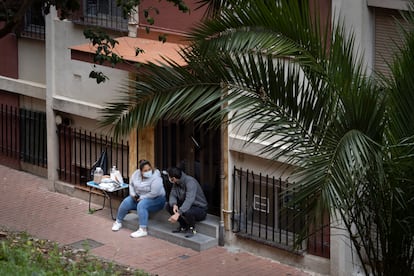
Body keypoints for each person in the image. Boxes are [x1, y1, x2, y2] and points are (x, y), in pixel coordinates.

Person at [112, 160, 166, 238]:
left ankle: (143, 230)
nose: (148, 171)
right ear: (140, 171)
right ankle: (118, 222)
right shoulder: (136, 174)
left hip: (156, 199)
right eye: (145, 170)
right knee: (126, 202)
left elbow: (155, 193)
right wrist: (133, 194)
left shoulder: (156, 177)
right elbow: (131, 184)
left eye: (149, 169)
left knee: (142, 205)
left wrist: (142, 198)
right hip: (139, 197)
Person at [166, 167, 208, 238]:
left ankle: (192, 228)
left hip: (200, 209)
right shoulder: (176, 182)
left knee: (188, 211)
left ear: (173, 178)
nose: (169, 179)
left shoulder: (190, 182)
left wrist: (178, 213)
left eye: (169, 177)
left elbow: (189, 200)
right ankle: (183, 225)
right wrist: (174, 204)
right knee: (168, 206)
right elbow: (172, 194)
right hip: (188, 205)